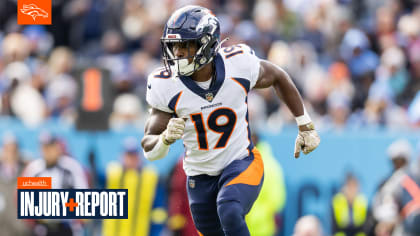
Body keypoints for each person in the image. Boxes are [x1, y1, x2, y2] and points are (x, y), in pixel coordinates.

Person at [141, 5, 321, 236]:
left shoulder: (238, 65)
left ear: (206, 43)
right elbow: (149, 148)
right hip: (199, 178)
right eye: (174, 46)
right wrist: (165, 139)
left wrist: (305, 124)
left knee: (228, 208)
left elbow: (278, 76)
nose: (177, 53)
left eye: (185, 45)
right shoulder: (165, 86)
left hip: (240, 161)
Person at [22, 132, 89, 236]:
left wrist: (78, 223)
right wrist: (32, 223)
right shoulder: (35, 169)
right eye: (44, 148)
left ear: (57, 148)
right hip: (43, 226)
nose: (48, 152)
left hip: (66, 225)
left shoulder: (71, 167)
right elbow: (25, 199)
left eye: (51, 147)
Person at [103, 136, 167, 236]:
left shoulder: (150, 176)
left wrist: (155, 232)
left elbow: (158, 210)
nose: (131, 159)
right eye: (128, 155)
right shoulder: (112, 174)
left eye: (134, 155)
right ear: (122, 156)